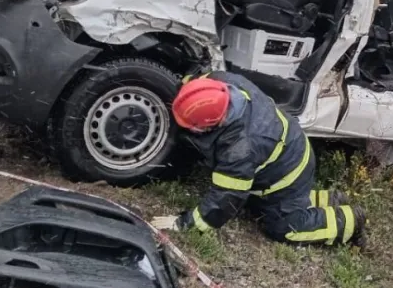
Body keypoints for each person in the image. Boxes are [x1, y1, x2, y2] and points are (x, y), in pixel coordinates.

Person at [153, 73, 366, 247]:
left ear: (211, 123)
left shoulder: (241, 148)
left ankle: (348, 220)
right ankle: (328, 199)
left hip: (289, 174)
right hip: (287, 143)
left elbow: (225, 199)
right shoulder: (215, 82)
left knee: (283, 227)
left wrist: (184, 223)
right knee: (258, 205)